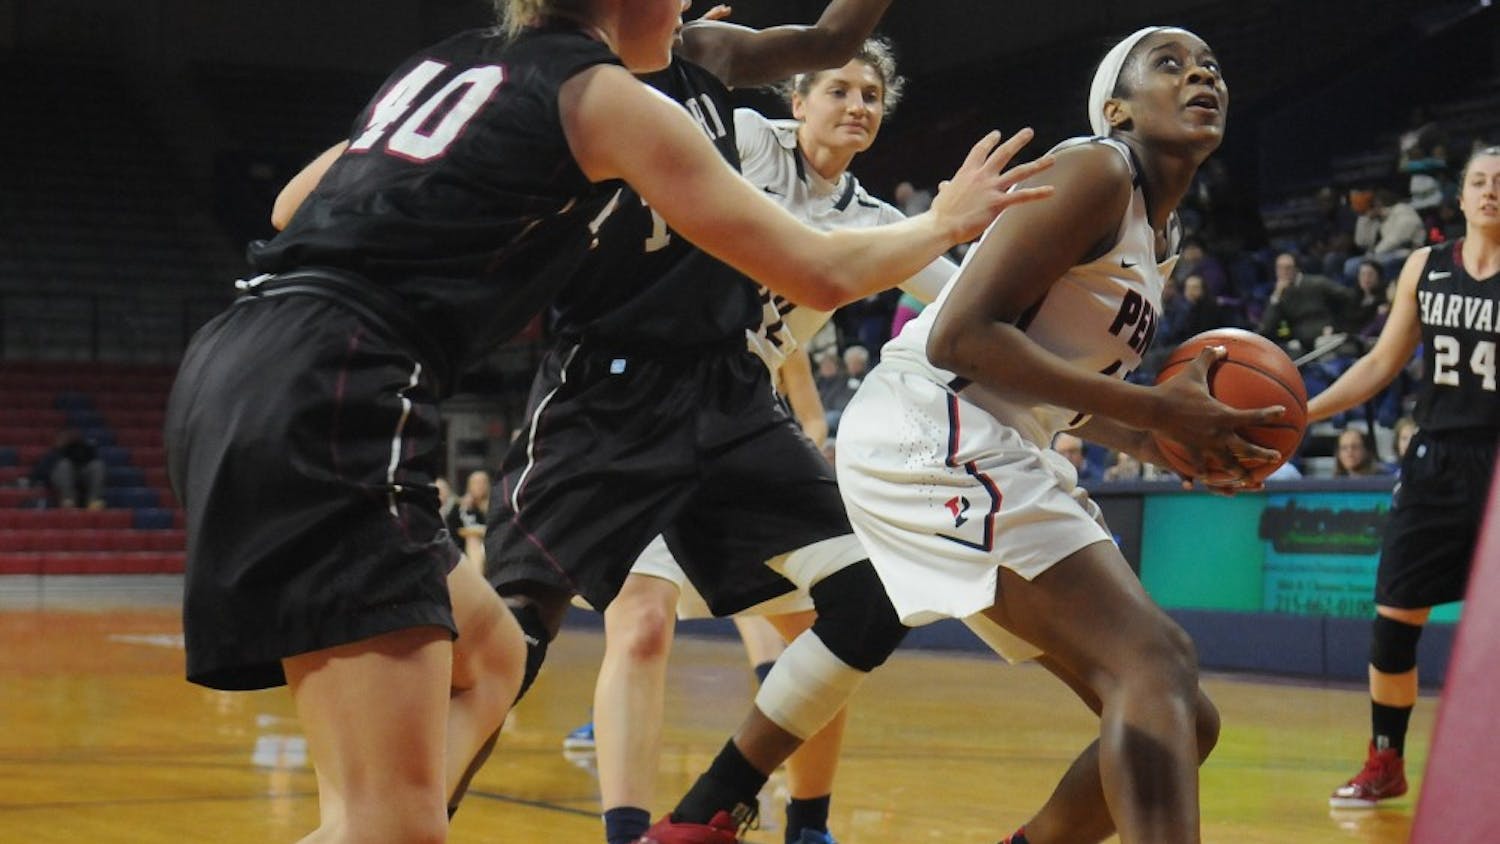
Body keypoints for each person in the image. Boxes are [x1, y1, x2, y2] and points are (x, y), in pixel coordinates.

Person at [169, 1, 1045, 840]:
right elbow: (816, 273)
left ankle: (714, 813)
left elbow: (291, 205)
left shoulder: (455, 61)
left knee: (490, 662)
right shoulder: (605, 95)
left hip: (239, 352)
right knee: (392, 821)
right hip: (344, 380)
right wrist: (945, 220)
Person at [832, 27, 1286, 844]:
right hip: (928, 418)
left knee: (1182, 716)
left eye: (1211, 64)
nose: (1199, 75)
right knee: (1155, 666)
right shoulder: (1099, 169)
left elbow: (1048, 371)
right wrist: (1152, 410)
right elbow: (960, 337)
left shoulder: (1162, 234)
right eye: (1170, 65)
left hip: (991, 432)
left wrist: (1156, 441)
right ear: (1117, 110)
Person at [575, 32, 965, 844]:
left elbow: (966, 303)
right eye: (839, 89)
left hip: (748, 419)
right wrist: (668, 49)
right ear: (796, 100)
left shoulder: (878, 221)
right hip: (656, 395)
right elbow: (645, 112)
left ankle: (808, 825)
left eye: (870, 96)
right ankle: (626, 832)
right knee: (639, 618)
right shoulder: (745, 138)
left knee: (826, 625)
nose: (857, 105)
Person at [1312, 144, 1500, 809]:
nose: (1490, 191)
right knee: (1394, 619)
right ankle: (1385, 763)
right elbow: (1384, 363)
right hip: (1436, 461)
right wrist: (1305, 410)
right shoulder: (1425, 267)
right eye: (1479, 180)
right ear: (1460, 196)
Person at [30, 428, 106, 510]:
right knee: (64, 465)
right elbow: (39, 472)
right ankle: (68, 502)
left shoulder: (84, 451)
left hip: (82, 478)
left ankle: (94, 502)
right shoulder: (53, 454)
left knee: (97, 465)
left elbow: (96, 464)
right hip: (61, 483)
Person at [447, 469, 492, 566]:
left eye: (483, 482)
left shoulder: (494, 505)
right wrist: (467, 510)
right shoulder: (459, 507)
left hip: (490, 546)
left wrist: (484, 510)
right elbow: (452, 531)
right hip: (464, 549)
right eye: (476, 483)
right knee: (473, 541)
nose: (480, 486)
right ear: (469, 486)